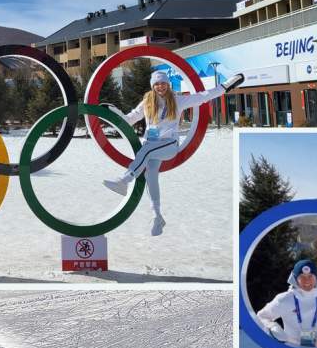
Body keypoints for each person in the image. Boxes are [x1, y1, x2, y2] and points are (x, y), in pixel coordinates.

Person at [101, 70, 244, 236]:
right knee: (151, 174)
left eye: (163, 83)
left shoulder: (177, 100)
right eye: (157, 84)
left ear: (168, 84)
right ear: (152, 86)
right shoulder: (147, 101)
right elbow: (129, 119)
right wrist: (114, 113)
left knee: (146, 151)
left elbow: (204, 96)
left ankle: (124, 180)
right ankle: (157, 216)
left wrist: (226, 86)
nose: (160, 86)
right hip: (152, 144)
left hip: (168, 146)